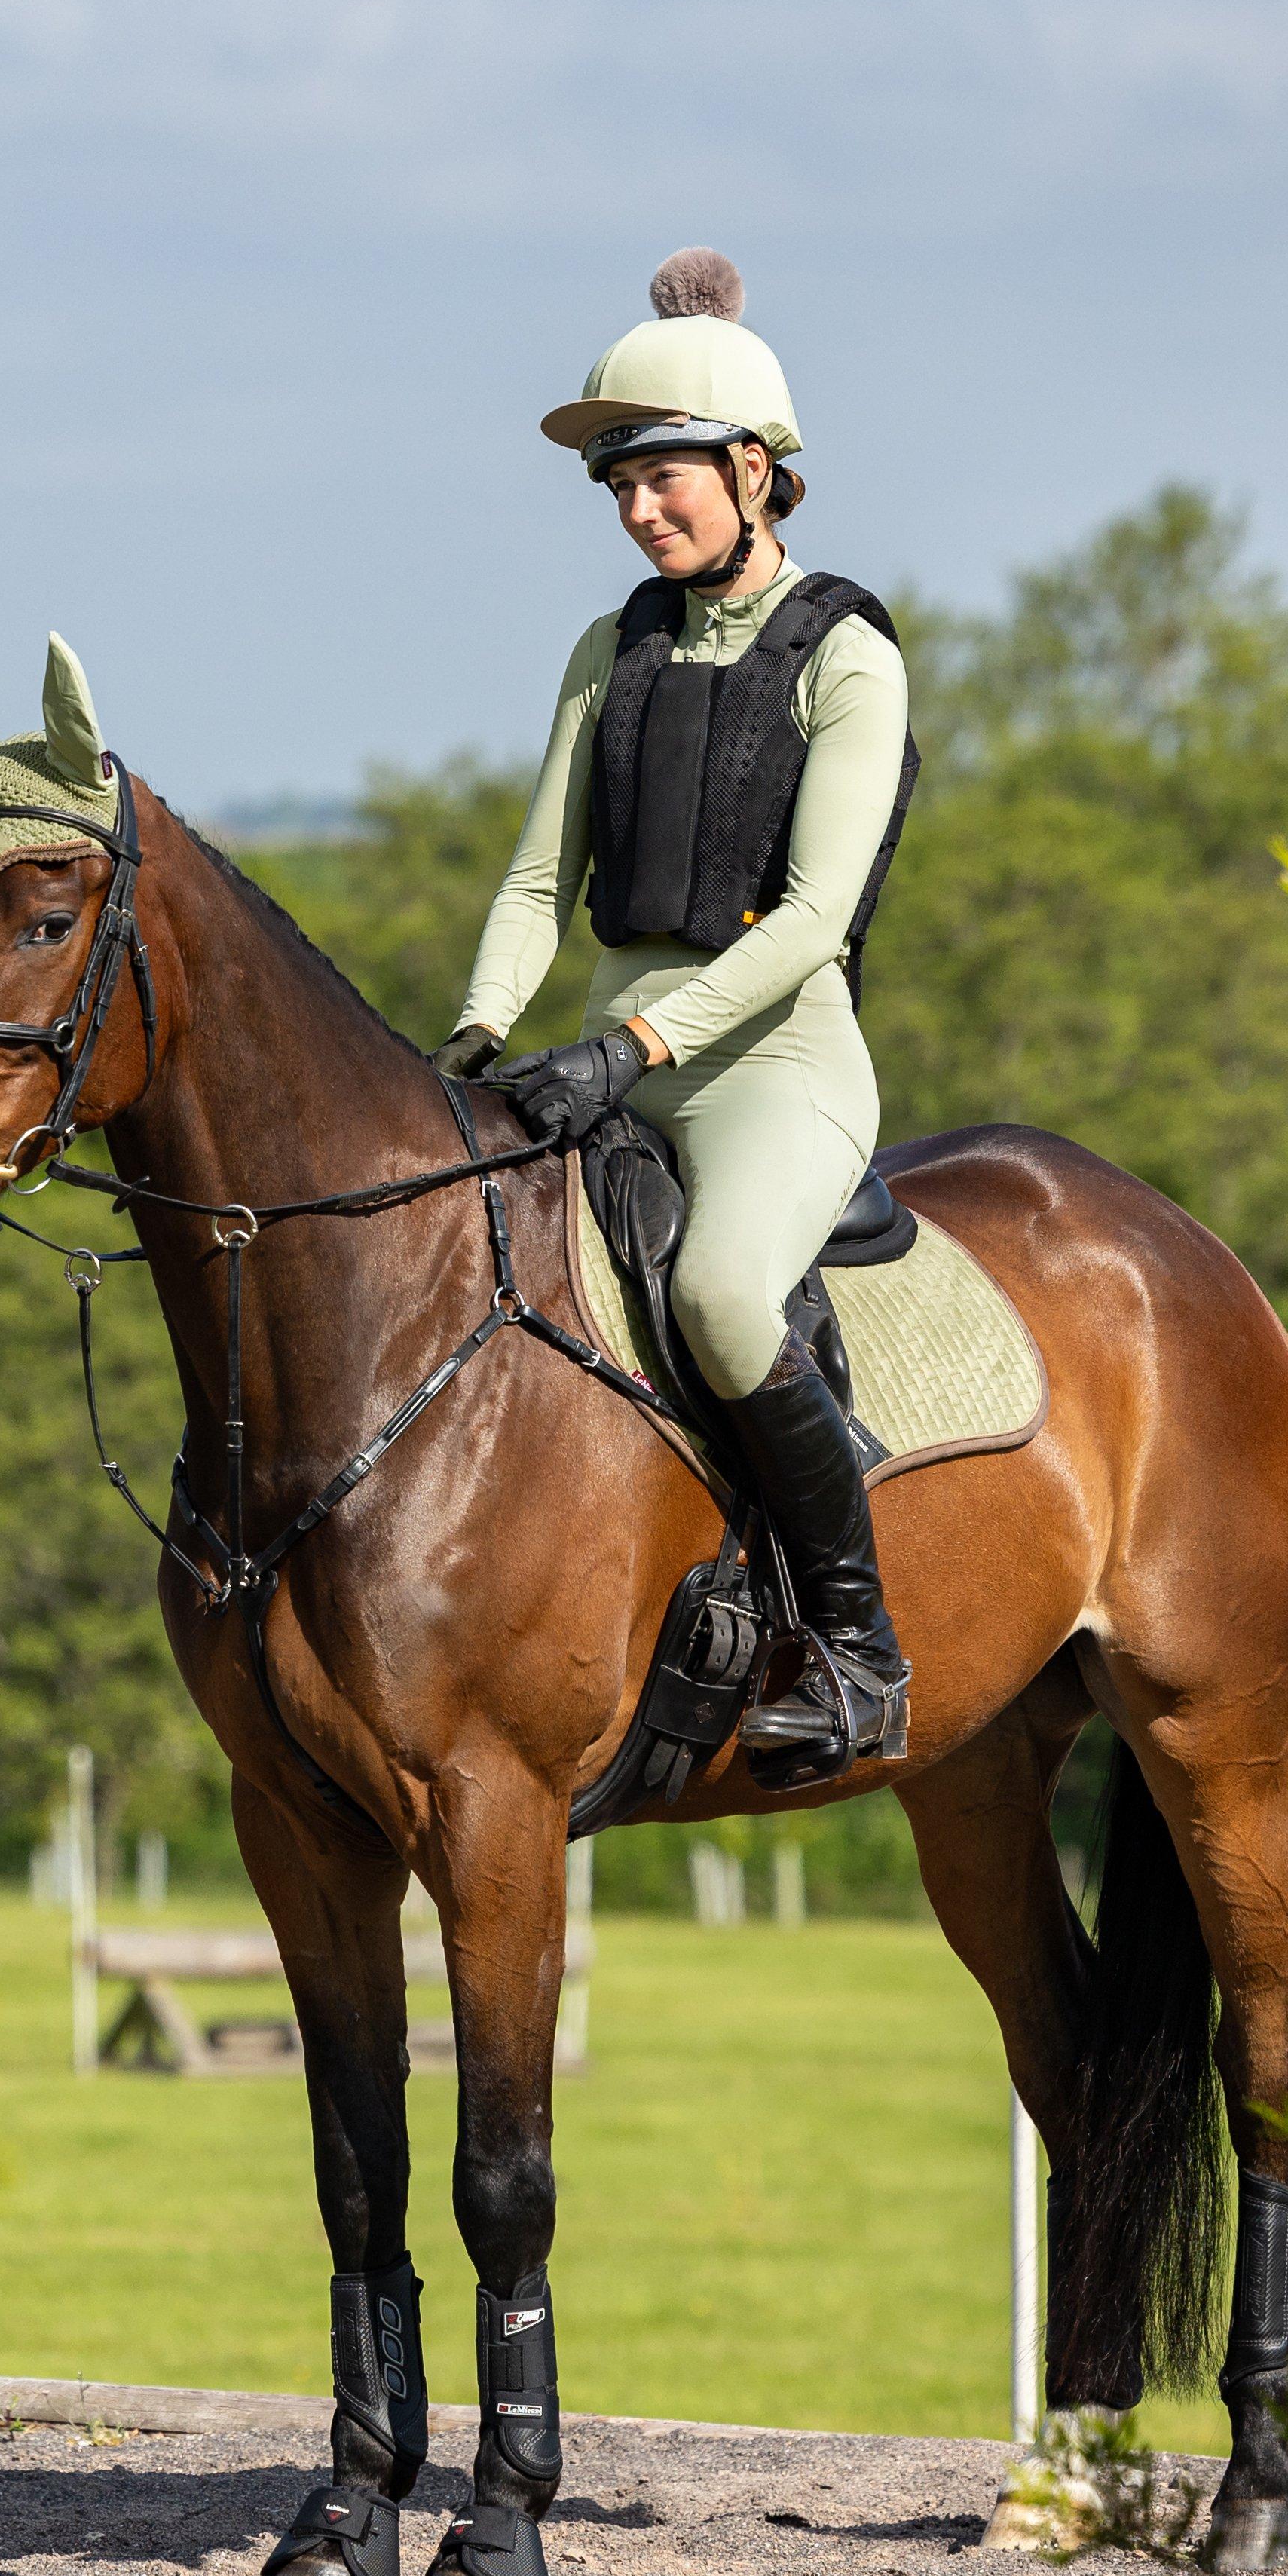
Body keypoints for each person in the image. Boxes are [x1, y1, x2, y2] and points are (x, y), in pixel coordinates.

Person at [434, 249, 919, 1770]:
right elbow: (534, 880)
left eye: (663, 479)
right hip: (603, 1051)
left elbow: (812, 928)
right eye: (620, 488)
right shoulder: (612, 652)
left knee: (716, 1295)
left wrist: (629, 1046)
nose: (640, 511)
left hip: (773, 1064)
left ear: (754, 473)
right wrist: (464, 1047)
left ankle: (855, 1649)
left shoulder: (845, 655)